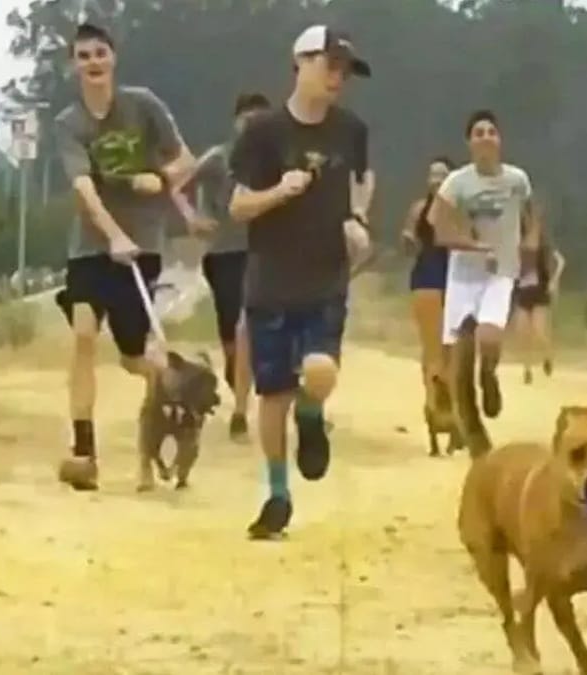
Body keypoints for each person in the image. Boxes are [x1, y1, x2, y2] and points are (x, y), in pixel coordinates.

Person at [229, 25, 373, 539]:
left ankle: (312, 418)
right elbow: (238, 206)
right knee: (272, 395)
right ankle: (277, 494)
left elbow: (362, 180)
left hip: (325, 277)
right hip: (269, 282)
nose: (337, 78)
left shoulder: (351, 130)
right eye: (329, 65)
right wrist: (278, 192)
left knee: (319, 371)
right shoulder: (264, 133)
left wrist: (358, 220)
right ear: (301, 62)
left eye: (345, 70)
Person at [52, 23, 196, 491]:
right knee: (83, 336)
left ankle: (172, 408)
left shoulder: (144, 105)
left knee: (138, 358)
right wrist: (111, 235)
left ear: (113, 59)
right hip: (92, 250)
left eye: (100, 53)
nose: (93, 62)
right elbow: (83, 189)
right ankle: (84, 450)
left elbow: (185, 161)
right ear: (73, 65)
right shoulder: (68, 125)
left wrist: (158, 177)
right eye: (83, 55)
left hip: (143, 248)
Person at [430, 109, 539, 420]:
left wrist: (531, 238)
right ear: (469, 143)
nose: (486, 138)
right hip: (464, 274)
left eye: (491, 132)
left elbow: (533, 214)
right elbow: (439, 228)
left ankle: (488, 376)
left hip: (501, 271)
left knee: (489, 336)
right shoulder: (456, 182)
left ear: (500, 140)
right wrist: (473, 245)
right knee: (453, 349)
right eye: (479, 133)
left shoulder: (517, 179)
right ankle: (454, 406)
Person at [187, 91, 271, 442]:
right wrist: (194, 217)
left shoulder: (276, 163)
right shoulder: (218, 158)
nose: (252, 125)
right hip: (223, 254)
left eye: (259, 120)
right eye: (246, 118)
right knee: (231, 337)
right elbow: (180, 185)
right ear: (236, 122)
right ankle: (237, 377)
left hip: (263, 253)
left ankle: (240, 411)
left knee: (248, 326)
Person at [401, 156, 453, 415]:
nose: (437, 179)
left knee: (452, 349)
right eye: (433, 174)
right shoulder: (419, 209)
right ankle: (433, 403)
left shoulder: (459, 209)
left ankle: (450, 404)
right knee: (432, 347)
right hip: (427, 278)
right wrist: (408, 239)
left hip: (454, 280)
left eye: (442, 174)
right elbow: (409, 241)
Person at [511, 214, 565, 385]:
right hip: (523, 292)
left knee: (540, 331)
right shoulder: (517, 243)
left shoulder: (544, 245)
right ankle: (527, 370)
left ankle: (547, 356)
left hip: (539, 292)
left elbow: (560, 261)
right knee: (523, 333)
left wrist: (554, 280)